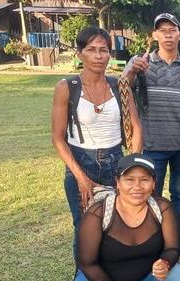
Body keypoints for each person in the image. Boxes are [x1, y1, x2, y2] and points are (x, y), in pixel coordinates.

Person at [61, 154, 180, 281]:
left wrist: (165, 263)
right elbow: (87, 263)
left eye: (144, 180)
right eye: (129, 180)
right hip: (102, 280)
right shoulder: (98, 213)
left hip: (144, 277)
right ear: (118, 183)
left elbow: (172, 247)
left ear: (154, 183)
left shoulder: (162, 207)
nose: (137, 187)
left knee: (177, 275)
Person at [51, 27, 142, 257]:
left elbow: (136, 126)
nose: (98, 56)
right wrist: (81, 178)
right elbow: (58, 138)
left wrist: (132, 167)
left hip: (115, 161)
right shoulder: (66, 88)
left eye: (104, 50)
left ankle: (112, 280)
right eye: (91, 50)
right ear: (80, 53)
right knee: (84, 228)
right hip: (81, 161)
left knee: (116, 225)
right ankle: (83, 280)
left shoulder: (119, 86)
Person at [123, 13, 180, 257]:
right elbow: (122, 92)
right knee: (152, 194)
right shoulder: (143, 66)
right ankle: (152, 238)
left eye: (172, 30)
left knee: (179, 194)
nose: (168, 34)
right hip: (152, 146)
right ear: (155, 35)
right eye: (163, 30)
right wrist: (129, 71)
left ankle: (176, 238)